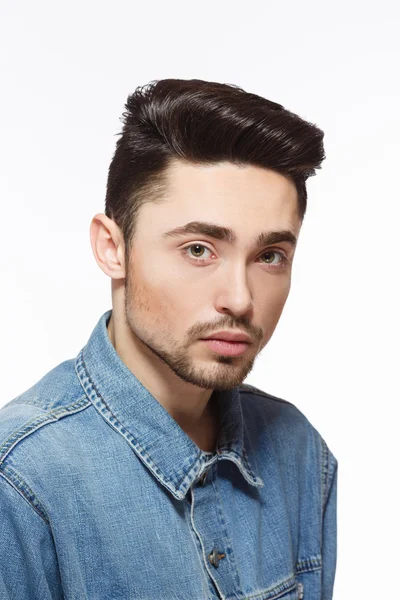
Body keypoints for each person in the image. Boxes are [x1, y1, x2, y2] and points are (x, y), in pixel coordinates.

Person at [0, 78, 337, 600]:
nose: (241, 299)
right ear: (112, 247)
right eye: (199, 249)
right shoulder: (21, 482)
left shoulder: (297, 451)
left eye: (270, 256)